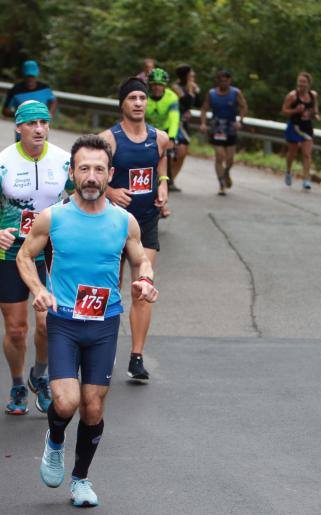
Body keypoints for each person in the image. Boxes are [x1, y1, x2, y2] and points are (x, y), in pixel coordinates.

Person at [16, 134, 159, 507]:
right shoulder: (54, 217)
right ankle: (56, 439)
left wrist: (145, 279)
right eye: (84, 169)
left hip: (104, 324)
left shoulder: (124, 221)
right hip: (63, 321)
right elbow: (24, 256)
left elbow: (141, 259)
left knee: (93, 406)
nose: (92, 176)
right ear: (72, 172)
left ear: (110, 173)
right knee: (65, 402)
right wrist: (38, 290)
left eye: (99, 169)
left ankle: (80, 479)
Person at [0, 101, 73, 415]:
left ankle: (38, 376)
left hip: (51, 251)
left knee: (47, 321)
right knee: (16, 329)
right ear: (19, 127)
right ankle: (17, 383)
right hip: (11, 251)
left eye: (44, 122)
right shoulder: (1, 164)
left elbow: (83, 196)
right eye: (32, 123)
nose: (39, 128)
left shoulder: (64, 161)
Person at [100, 77, 169, 382]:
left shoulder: (160, 137)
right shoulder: (109, 139)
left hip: (146, 221)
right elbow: (88, 175)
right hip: (113, 223)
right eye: (132, 98)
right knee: (110, 291)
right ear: (122, 104)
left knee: (143, 287)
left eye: (142, 98)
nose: (139, 103)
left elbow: (161, 165)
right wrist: (109, 193)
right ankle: (103, 351)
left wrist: (163, 186)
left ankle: (137, 357)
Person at [199, 70, 248, 195]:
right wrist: (203, 123)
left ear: (230, 81)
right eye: (221, 80)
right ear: (218, 81)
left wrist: (240, 120)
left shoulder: (235, 93)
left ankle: (226, 173)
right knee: (219, 156)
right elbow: (204, 108)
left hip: (230, 126)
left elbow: (244, 106)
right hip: (217, 127)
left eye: (226, 80)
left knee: (230, 159)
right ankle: (221, 183)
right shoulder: (211, 93)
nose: (223, 83)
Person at [145, 67, 181, 198]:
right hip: (148, 127)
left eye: (160, 85)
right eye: (154, 84)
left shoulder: (172, 97)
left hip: (166, 128)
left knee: (177, 149)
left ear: (164, 86)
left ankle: (169, 178)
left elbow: (174, 119)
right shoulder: (144, 96)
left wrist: (172, 138)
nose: (156, 87)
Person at [282, 71, 320, 190]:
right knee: (292, 153)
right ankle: (288, 171)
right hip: (294, 126)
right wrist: (295, 111)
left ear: (309, 84)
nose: (301, 84)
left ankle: (306, 179)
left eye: (304, 82)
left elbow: (315, 109)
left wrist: (316, 115)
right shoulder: (292, 96)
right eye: (300, 81)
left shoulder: (313, 95)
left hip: (307, 127)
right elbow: (284, 111)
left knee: (307, 154)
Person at [171, 64, 201, 179]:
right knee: (178, 152)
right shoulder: (176, 87)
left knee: (183, 153)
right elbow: (186, 102)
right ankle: (166, 178)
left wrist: (195, 90)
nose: (193, 74)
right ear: (186, 75)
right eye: (191, 73)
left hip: (185, 122)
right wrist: (190, 89)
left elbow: (198, 103)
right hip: (176, 122)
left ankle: (172, 179)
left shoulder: (193, 86)